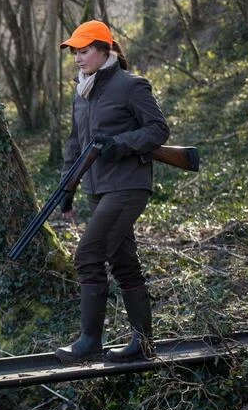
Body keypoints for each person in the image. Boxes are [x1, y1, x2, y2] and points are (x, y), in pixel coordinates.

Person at [54, 19, 169, 363]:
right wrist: (66, 189)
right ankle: (142, 345)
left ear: (104, 50)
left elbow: (158, 130)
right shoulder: (82, 93)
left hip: (128, 184)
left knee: (88, 256)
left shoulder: (130, 85)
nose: (77, 58)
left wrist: (120, 144)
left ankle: (90, 342)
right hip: (98, 189)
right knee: (123, 262)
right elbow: (75, 145)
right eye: (74, 52)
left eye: (84, 50)